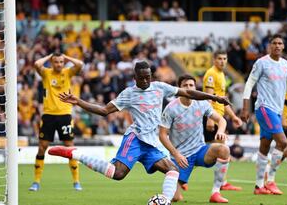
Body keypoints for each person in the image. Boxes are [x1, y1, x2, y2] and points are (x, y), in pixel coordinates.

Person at [48, 61, 230, 202]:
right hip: (135, 138)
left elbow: (189, 93)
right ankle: (75, 153)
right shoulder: (129, 93)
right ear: (135, 77)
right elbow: (104, 111)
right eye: (141, 78)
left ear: (151, 75)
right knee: (117, 174)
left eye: (148, 77)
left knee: (172, 170)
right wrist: (78, 101)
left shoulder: (160, 87)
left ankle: (163, 202)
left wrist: (214, 97)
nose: (145, 81)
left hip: (152, 143)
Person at [240, 34, 287, 195]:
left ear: (283, 46)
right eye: (274, 43)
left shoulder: (285, 65)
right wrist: (245, 107)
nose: (277, 46)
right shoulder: (261, 63)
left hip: (276, 110)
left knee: (264, 147)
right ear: (269, 46)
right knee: (282, 142)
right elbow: (249, 84)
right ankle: (271, 180)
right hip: (264, 108)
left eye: (280, 43)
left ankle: (259, 186)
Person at [159, 74, 231, 203]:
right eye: (185, 85)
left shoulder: (201, 103)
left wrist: (220, 131)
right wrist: (176, 154)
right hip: (181, 157)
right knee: (174, 198)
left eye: (191, 85)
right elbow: (162, 134)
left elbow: (221, 120)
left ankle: (215, 192)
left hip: (200, 151)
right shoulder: (171, 108)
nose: (189, 88)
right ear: (179, 88)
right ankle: (181, 182)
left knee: (223, 150)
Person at [29, 52, 84, 191]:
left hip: (65, 114)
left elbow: (80, 64)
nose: (59, 64)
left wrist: (67, 57)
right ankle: (36, 181)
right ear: (52, 63)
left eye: (61, 62)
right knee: (42, 147)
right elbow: (36, 64)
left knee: (69, 147)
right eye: (56, 62)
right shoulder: (46, 73)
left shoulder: (68, 72)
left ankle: (76, 181)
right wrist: (49, 55)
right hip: (48, 115)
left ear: (63, 62)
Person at [202, 51, 243, 191]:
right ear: (214, 59)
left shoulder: (222, 75)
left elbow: (222, 100)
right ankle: (181, 177)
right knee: (213, 152)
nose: (222, 61)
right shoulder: (211, 74)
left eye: (225, 58)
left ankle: (222, 182)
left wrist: (233, 116)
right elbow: (208, 97)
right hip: (212, 118)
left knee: (220, 150)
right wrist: (209, 119)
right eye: (219, 58)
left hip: (219, 119)